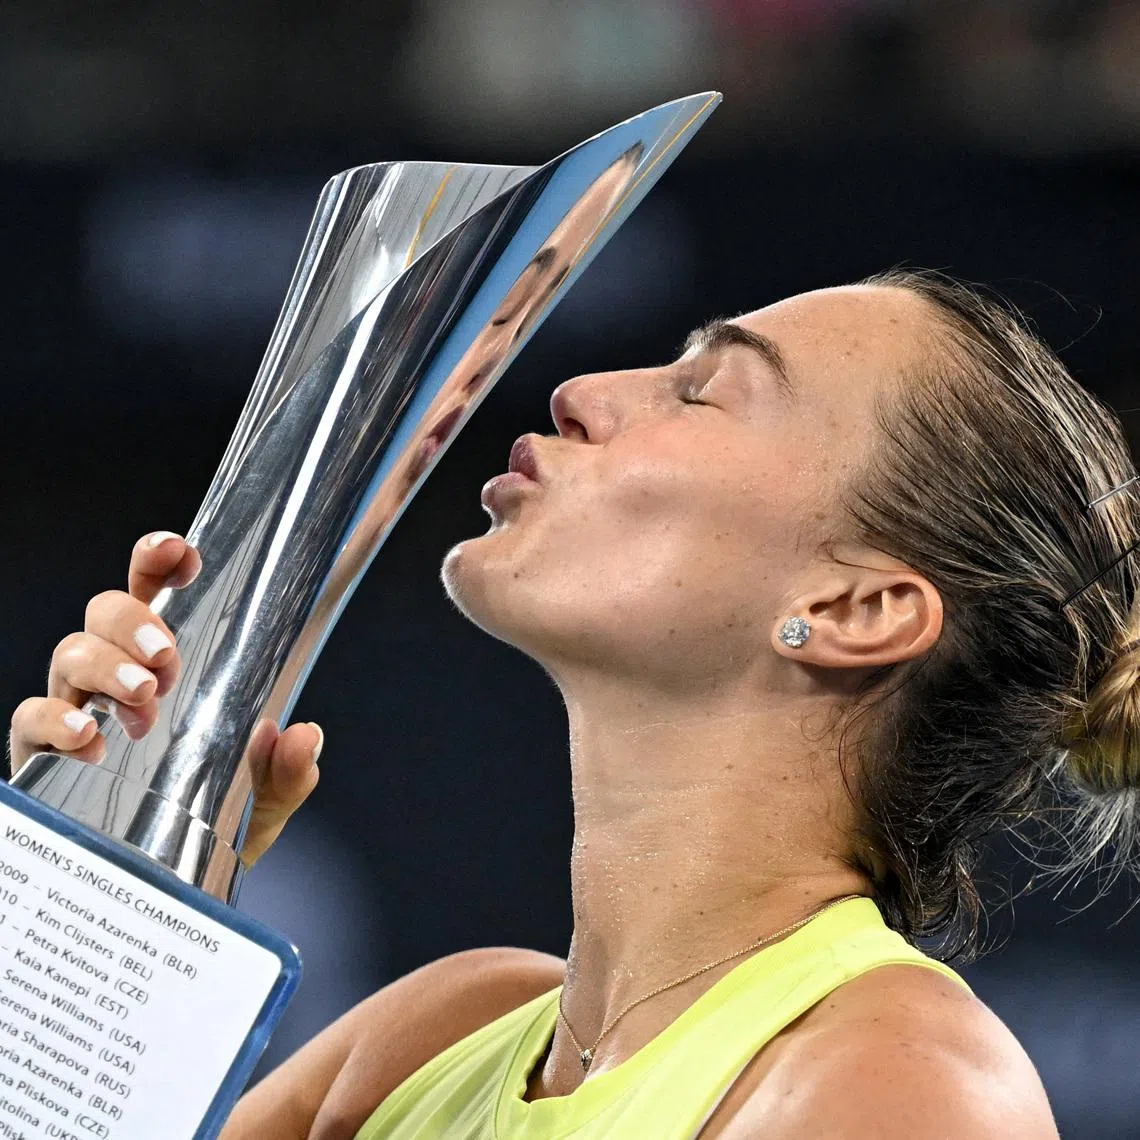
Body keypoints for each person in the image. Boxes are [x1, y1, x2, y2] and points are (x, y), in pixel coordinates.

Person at [10, 268, 1138, 1139]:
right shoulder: (429, 1035)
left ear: (855, 607)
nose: (583, 390)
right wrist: (103, 901)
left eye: (703, 391)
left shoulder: (899, 1083)